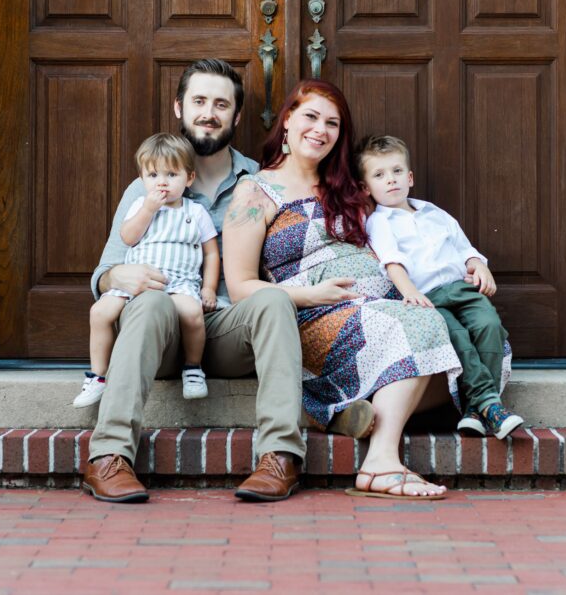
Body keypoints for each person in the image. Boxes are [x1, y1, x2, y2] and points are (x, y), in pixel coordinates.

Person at [81, 59, 372, 504]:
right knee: (150, 303)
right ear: (180, 108)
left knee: (273, 300)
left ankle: (279, 456)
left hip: (225, 328)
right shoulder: (149, 185)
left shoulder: (261, 181)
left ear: (236, 116)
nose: (209, 113)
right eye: (199, 101)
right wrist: (119, 274)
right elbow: (104, 274)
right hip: (157, 327)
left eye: (221, 104)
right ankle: (109, 456)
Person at [223, 80, 464, 500]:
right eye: (311, 117)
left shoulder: (350, 188)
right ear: (287, 122)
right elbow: (242, 287)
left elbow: (403, 232)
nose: (321, 129)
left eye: (332, 123)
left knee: (469, 351)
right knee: (424, 331)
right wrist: (311, 296)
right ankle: (381, 463)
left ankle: (344, 408)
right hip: (312, 317)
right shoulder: (255, 191)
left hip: (382, 308)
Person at [356, 135, 523, 439]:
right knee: (457, 338)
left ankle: (476, 410)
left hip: (462, 289)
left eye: (396, 172)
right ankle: (490, 404)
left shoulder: (434, 212)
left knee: (489, 326)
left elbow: (464, 247)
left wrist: (480, 265)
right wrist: (409, 292)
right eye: (379, 175)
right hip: (428, 297)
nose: (390, 180)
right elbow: (392, 262)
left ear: (410, 178)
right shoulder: (380, 222)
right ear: (367, 188)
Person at [75, 133, 220, 409]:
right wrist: (147, 210)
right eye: (153, 175)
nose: (162, 181)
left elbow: (211, 253)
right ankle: (98, 376)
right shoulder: (139, 206)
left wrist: (209, 288)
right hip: (136, 283)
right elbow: (128, 237)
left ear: (189, 178)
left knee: (192, 314)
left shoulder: (196, 212)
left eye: (171, 174)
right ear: (142, 179)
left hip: (179, 283)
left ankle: (192, 368)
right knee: (99, 312)